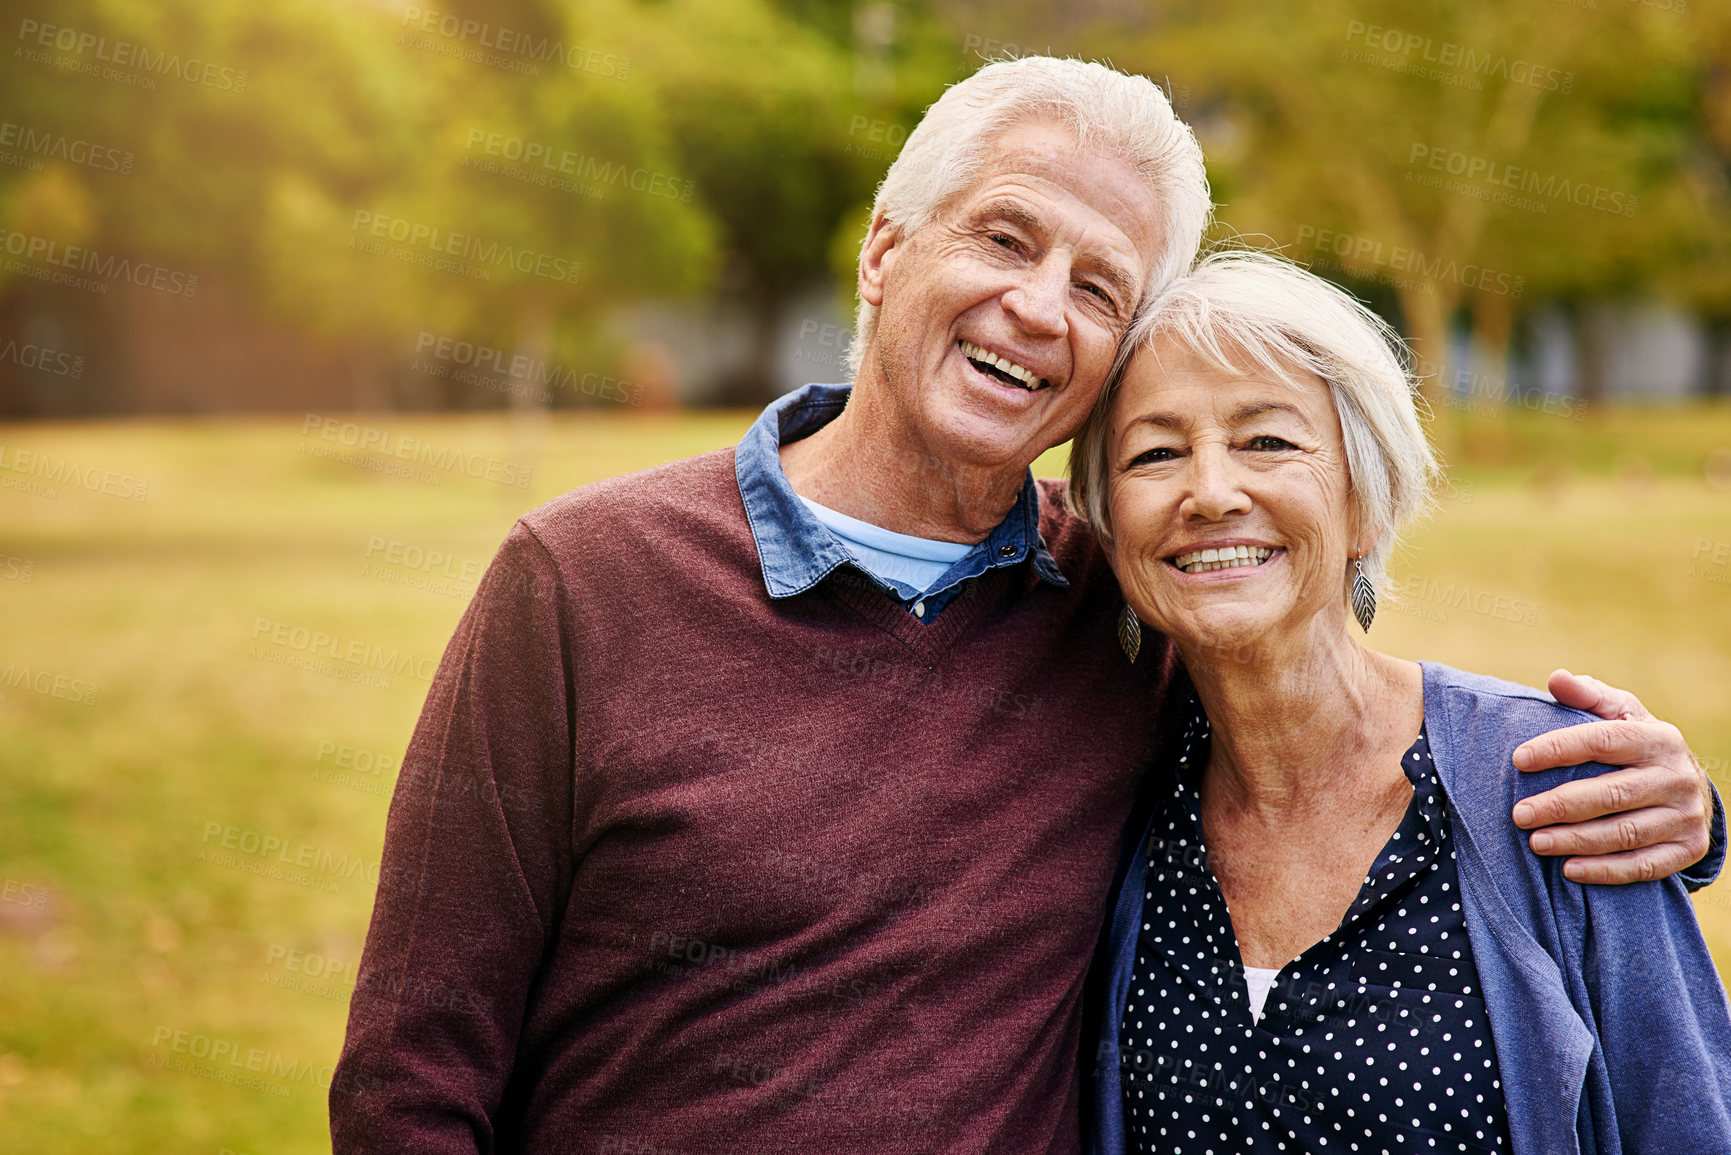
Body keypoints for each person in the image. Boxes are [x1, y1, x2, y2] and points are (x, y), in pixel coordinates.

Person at [330, 58, 1722, 1153]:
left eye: (1097, 286)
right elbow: (413, 1070)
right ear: (883, 250)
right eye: (1003, 236)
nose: (1034, 306)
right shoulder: (578, 581)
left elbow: (1318, 696)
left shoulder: (1113, 611)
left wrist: (1673, 809)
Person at [1074, 252, 1731, 1154]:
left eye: (1267, 440)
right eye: (1155, 453)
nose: (1211, 492)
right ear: (1107, 530)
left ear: (1364, 504)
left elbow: (1687, 1121)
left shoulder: (1554, 787)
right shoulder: (1111, 804)